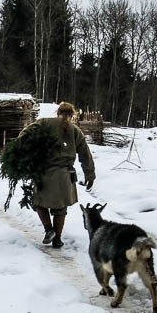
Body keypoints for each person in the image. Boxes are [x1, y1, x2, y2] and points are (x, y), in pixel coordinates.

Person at [27, 102, 95, 248]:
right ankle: (57, 239)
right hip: (65, 175)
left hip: (44, 172)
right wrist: (90, 175)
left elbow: (26, 135)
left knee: (39, 202)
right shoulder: (75, 131)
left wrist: (21, 152)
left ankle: (48, 229)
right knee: (60, 208)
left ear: (57, 113)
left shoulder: (44, 122)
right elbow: (85, 156)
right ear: (72, 116)